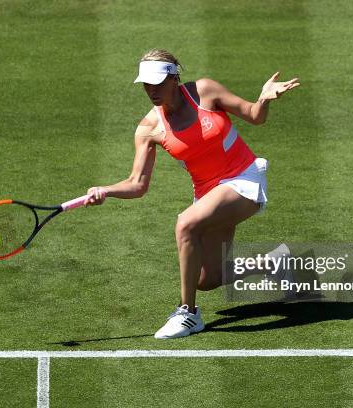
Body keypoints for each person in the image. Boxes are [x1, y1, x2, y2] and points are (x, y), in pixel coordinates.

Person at [85, 48, 299, 339]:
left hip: (244, 179)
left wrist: (263, 98)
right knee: (205, 279)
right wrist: (105, 191)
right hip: (208, 194)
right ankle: (273, 262)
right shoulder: (148, 128)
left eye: (158, 82)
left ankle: (187, 313)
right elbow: (137, 184)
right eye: (146, 84)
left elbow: (254, 116)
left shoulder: (205, 92)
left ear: (174, 78)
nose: (152, 90)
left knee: (185, 223)